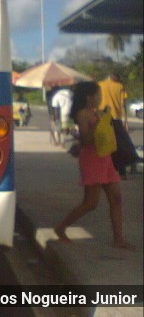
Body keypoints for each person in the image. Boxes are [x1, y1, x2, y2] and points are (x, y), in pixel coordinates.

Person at [54, 81, 133, 249]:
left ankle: (118, 239)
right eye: (98, 94)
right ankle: (61, 228)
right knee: (90, 203)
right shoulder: (83, 114)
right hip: (92, 159)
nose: (100, 97)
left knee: (116, 198)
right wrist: (99, 125)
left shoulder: (93, 112)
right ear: (90, 97)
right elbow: (85, 139)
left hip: (104, 158)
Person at [98, 73, 138, 178]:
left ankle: (105, 171)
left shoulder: (99, 85)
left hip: (102, 118)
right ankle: (122, 172)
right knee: (120, 144)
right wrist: (126, 121)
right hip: (115, 118)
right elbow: (123, 105)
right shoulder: (120, 86)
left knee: (104, 145)